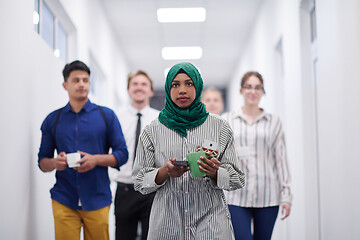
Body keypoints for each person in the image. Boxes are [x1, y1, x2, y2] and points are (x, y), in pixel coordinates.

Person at [132, 62, 245, 240]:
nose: (182, 90)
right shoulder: (151, 131)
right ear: (168, 89)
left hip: (211, 222)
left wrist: (216, 172)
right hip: (168, 225)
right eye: (175, 85)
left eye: (189, 83)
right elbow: (139, 181)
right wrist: (165, 171)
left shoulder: (220, 127)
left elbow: (238, 179)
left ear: (198, 86)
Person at [38, 60, 128, 240]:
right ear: (65, 85)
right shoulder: (52, 120)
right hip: (64, 199)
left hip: (98, 199)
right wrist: (56, 163)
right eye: (76, 80)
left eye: (85, 80)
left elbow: (122, 154)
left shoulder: (107, 116)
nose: (81, 84)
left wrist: (96, 160)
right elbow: (42, 162)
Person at [222, 71, 292, 240]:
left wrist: (287, 195)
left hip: (268, 194)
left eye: (257, 87)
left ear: (262, 91)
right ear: (241, 90)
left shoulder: (274, 121)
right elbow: (218, 155)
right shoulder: (227, 120)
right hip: (236, 195)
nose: (253, 91)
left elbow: (281, 159)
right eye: (248, 87)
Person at [113, 70, 159, 240]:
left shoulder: (160, 119)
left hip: (152, 190)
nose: (139, 87)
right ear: (128, 89)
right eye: (135, 84)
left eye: (144, 84)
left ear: (151, 91)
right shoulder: (116, 118)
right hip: (125, 189)